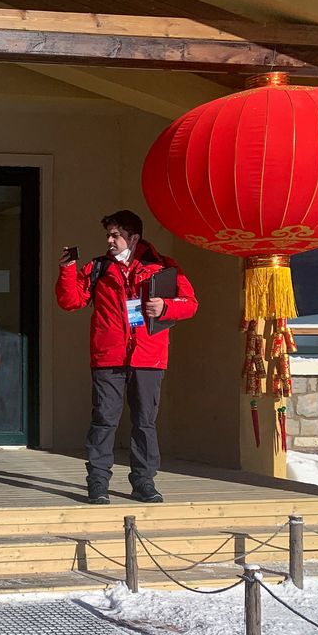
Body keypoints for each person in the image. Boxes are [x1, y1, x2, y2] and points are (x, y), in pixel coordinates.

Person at [56, 209, 198, 505]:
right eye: (108, 234)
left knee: (145, 422)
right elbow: (70, 302)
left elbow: (190, 304)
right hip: (108, 356)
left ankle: (144, 482)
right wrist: (68, 270)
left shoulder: (163, 267)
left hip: (148, 357)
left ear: (133, 238)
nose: (109, 240)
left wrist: (166, 308)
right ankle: (97, 482)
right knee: (104, 420)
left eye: (115, 235)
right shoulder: (97, 268)